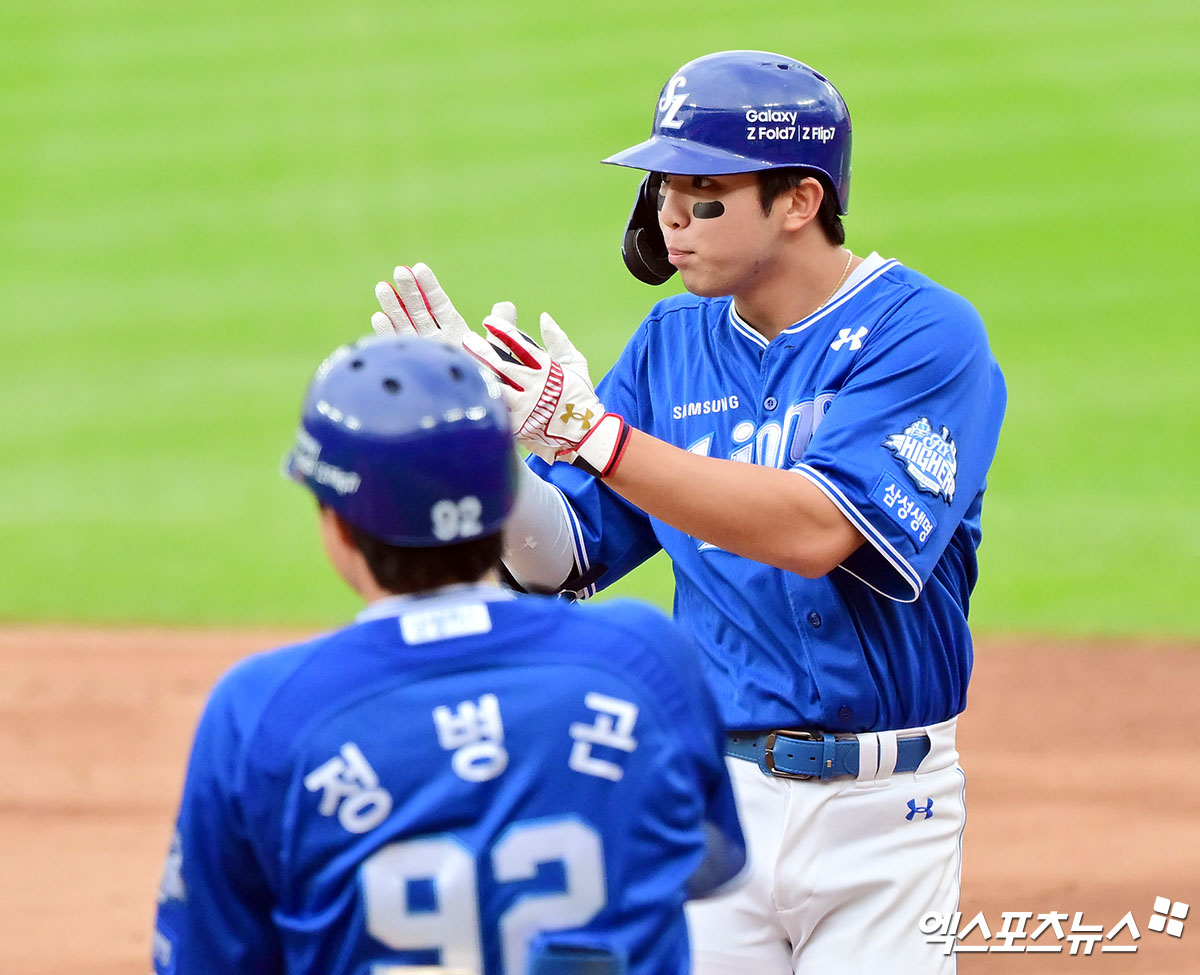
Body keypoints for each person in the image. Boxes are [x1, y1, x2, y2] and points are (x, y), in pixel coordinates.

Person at [370, 49, 1006, 975]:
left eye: (704, 192)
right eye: (663, 189)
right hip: (712, 802)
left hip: (887, 821)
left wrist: (596, 433)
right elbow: (565, 557)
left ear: (798, 201)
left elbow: (818, 529)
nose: (670, 218)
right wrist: (487, 455)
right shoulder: (671, 343)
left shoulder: (926, 334)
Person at [151, 335, 746, 975]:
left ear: (338, 526)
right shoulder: (641, 658)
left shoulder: (262, 710)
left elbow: (208, 956)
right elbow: (709, 862)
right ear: (505, 500)